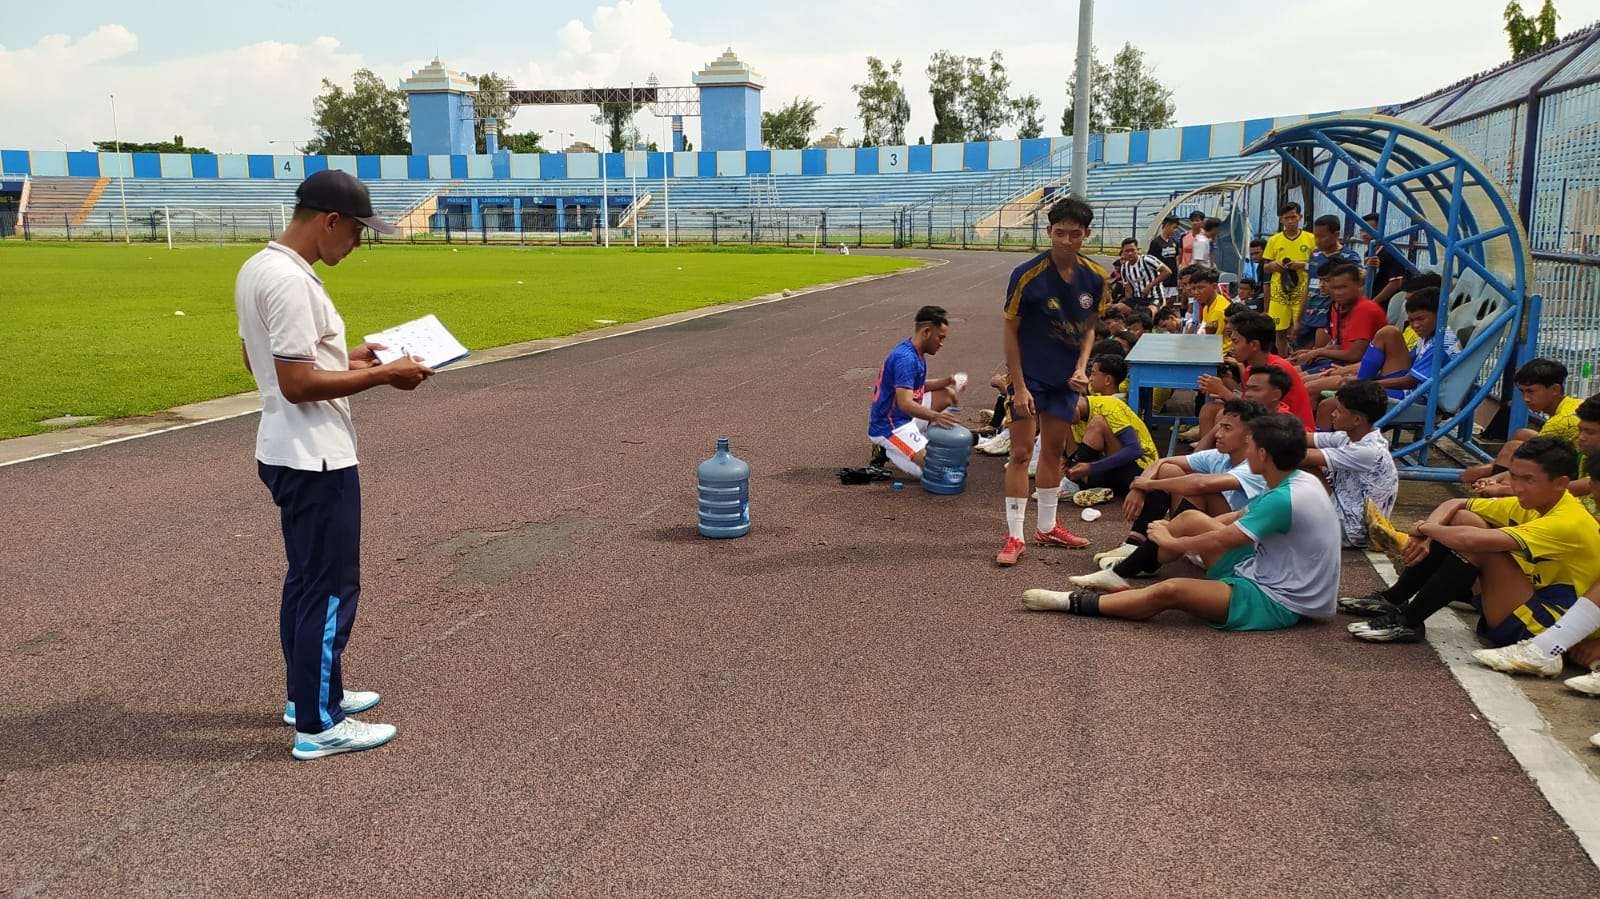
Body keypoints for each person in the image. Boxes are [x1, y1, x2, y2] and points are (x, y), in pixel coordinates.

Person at [235, 170, 433, 760]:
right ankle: (319, 725)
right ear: (329, 221)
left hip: (285, 448)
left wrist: (347, 357)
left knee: (305, 581)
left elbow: (260, 362)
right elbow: (296, 382)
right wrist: (383, 374)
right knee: (329, 587)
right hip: (315, 454)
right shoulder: (293, 283)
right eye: (354, 232)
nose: (355, 245)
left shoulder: (258, 268)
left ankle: (308, 697)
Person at [1023, 413, 1341, 631]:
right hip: (1271, 572)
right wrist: (1179, 529)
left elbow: (1223, 540)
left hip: (1280, 600)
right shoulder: (1298, 480)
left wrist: (1173, 542)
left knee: (1171, 591)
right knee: (1190, 518)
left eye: (1251, 446)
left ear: (1262, 453)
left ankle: (1071, 603)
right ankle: (1121, 573)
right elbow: (1238, 517)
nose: (1246, 452)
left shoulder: (1283, 497)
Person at [1345, 437, 1600, 645]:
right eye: (1515, 476)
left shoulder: (1568, 521)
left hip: (1547, 625)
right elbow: (1455, 503)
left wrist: (1425, 528)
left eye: (1529, 479)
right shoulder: (1536, 503)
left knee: (1479, 546)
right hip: (1529, 593)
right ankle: (1394, 598)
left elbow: (1471, 540)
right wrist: (1425, 535)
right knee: (1464, 518)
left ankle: (1408, 622)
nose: (1517, 487)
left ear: (1561, 483)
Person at [999, 196, 1107, 566]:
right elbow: (1010, 330)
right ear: (1049, 232)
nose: (1065, 240)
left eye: (1074, 234)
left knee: (1054, 452)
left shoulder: (1096, 277)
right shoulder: (1027, 275)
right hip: (1029, 376)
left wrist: (1082, 367)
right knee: (1020, 453)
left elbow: (1090, 327)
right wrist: (1019, 385)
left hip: (1066, 380)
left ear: (1086, 235)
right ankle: (1015, 535)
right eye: (1059, 233)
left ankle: (1047, 527)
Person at [1075, 399, 1273, 592]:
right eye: (1219, 427)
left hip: (1233, 550)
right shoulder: (1221, 456)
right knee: (1170, 470)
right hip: (1208, 536)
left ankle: (1135, 564)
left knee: (1199, 492)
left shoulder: (1255, 467)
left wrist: (1149, 484)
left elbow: (1200, 484)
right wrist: (1139, 488)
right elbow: (1163, 462)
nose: (1218, 434)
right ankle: (1137, 545)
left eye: (1227, 428)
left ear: (1250, 435)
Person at [1310, 287, 1459, 428]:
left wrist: (1371, 385)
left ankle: (1325, 448)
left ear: (1440, 314)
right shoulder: (1429, 338)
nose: (1415, 325)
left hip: (1418, 398)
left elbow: (1410, 381)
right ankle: (1358, 385)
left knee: (1328, 405)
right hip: (1411, 391)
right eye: (1412, 321)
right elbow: (1408, 361)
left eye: (1421, 319)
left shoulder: (1441, 344)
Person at [867, 305, 965, 478]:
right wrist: (935, 416)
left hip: (906, 416)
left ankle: (923, 440)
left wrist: (947, 380)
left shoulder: (915, 352)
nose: (941, 343)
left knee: (947, 394)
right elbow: (905, 403)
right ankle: (887, 448)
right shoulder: (905, 359)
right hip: (891, 426)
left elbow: (918, 387)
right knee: (940, 472)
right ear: (927, 332)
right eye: (940, 338)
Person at [1461, 359, 1581, 495]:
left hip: (1579, 473)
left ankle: (1493, 492)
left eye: (1531, 392)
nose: (1526, 399)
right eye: (1522, 392)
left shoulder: (1559, 422)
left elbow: (1534, 462)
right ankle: (1492, 471)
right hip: (1574, 458)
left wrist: (1497, 478)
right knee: (1522, 434)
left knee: (1513, 450)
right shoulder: (1575, 404)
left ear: (1555, 389)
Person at [1303, 380, 1397, 548]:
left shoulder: (1369, 450)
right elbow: (1305, 439)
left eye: (1338, 411)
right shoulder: (1347, 436)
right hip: (1342, 510)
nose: (1332, 414)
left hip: (1352, 530)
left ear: (1357, 420)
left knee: (1303, 465)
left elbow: (1301, 456)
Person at [1193, 312, 1316, 439]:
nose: (1231, 347)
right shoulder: (1251, 368)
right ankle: (1208, 456)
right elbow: (1249, 401)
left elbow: (1256, 411)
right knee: (1209, 410)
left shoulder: (1277, 368)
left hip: (1293, 432)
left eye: (1235, 341)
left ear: (1254, 345)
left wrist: (1223, 392)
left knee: (1224, 416)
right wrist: (1219, 391)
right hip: (1268, 421)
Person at [1063, 354, 1159, 504]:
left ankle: (1077, 480)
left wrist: (1090, 467)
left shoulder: (1110, 405)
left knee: (1098, 423)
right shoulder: (1079, 409)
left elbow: (1135, 450)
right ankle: (1075, 480)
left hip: (1140, 470)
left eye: (1094, 374)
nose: (1090, 378)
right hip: (1109, 468)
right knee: (1065, 427)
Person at [1289, 263, 1388, 374]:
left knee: (1298, 381)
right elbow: (1339, 346)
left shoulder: (1365, 309)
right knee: (1284, 368)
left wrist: (1318, 352)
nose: (1338, 293)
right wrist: (1310, 352)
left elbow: (1355, 355)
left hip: (1359, 369)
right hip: (1339, 362)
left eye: (1343, 287)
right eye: (1335, 288)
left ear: (1359, 284)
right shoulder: (1337, 306)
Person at [1296, 215, 1365, 347]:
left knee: (1318, 357)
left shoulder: (1349, 257)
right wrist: (1298, 319)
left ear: (1336, 234)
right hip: (1308, 317)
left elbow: (1360, 281)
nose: (1318, 240)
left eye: (1322, 237)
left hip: (1328, 318)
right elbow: (1307, 287)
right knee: (1301, 355)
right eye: (1315, 236)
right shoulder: (1314, 255)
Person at [1263, 202, 1316, 356]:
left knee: (1301, 329)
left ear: (1299, 217)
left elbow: (1318, 265)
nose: (1291, 221)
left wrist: (1302, 265)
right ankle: (1282, 359)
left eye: (1293, 217)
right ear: (1281, 220)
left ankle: (1300, 358)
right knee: (1279, 330)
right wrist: (1273, 265)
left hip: (1302, 292)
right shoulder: (1274, 240)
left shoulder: (1310, 239)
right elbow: (1265, 267)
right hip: (1280, 292)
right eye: (1287, 218)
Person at [1112, 237, 1172, 307]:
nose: (1130, 253)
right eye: (1127, 251)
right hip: (1137, 299)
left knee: (1147, 312)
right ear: (1123, 252)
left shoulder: (1147, 259)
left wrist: (1149, 286)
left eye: (1132, 250)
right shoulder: (1124, 267)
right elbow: (1128, 290)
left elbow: (1167, 271)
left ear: (1137, 250)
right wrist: (1128, 303)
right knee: (1117, 308)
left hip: (1155, 297)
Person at [1148, 215, 1182, 301]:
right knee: (1161, 302)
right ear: (1167, 225)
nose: (1175, 230)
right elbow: (1151, 261)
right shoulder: (1156, 242)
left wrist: (1178, 277)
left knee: (1171, 301)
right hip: (1162, 279)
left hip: (1172, 279)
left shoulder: (1174, 242)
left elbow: (1176, 259)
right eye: (1174, 227)